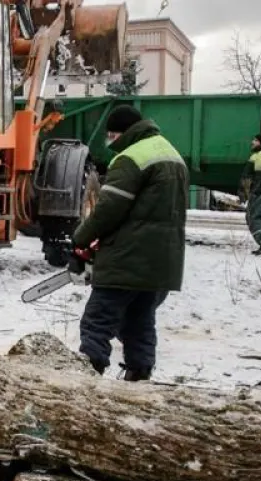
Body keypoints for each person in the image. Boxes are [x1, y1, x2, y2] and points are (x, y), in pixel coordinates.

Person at [71, 105, 188, 381]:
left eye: (111, 135)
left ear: (119, 133)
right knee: (140, 320)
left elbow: (109, 209)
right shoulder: (172, 154)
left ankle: (90, 371)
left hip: (128, 257)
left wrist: (80, 240)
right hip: (162, 260)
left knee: (97, 320)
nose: (110, 141)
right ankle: (139, 373)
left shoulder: (131, 157)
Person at [241, 134, 261, 255]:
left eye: (255, 140)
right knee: (258, 217)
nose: (252, 142)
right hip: (257, 191)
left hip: (257, 192)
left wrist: (253, 191)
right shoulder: (258, 154)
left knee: (253, 217)